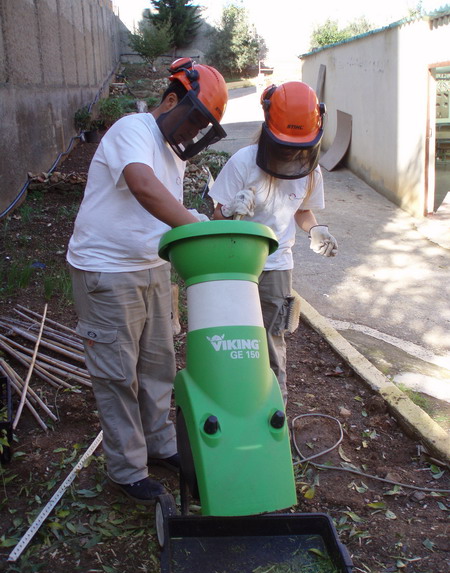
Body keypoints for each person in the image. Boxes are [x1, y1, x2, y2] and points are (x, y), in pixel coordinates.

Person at [67, 58, 228, 504]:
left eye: (201, 128)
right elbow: (142, 186)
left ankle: (159, 444)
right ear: (172, 101)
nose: (191, 134)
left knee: (157, 366)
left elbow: (158, 214)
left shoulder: (172, 152)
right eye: (193, 120)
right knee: (118, 375)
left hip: (151, 267)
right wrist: (196, 227)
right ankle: (127, 470)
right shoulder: (133, 129)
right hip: (107, 271)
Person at [210, 81, 337, 403]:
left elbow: (303, 210)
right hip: (235, 263)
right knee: (232, 336)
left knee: (272, 336)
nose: (292, 152)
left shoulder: (311, 171)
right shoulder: (243, 162)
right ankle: (231, 396)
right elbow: (215, 219)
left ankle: (273, 406)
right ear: (269, 129)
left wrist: (315, 229)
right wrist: (228, 208)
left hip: (278, 265)